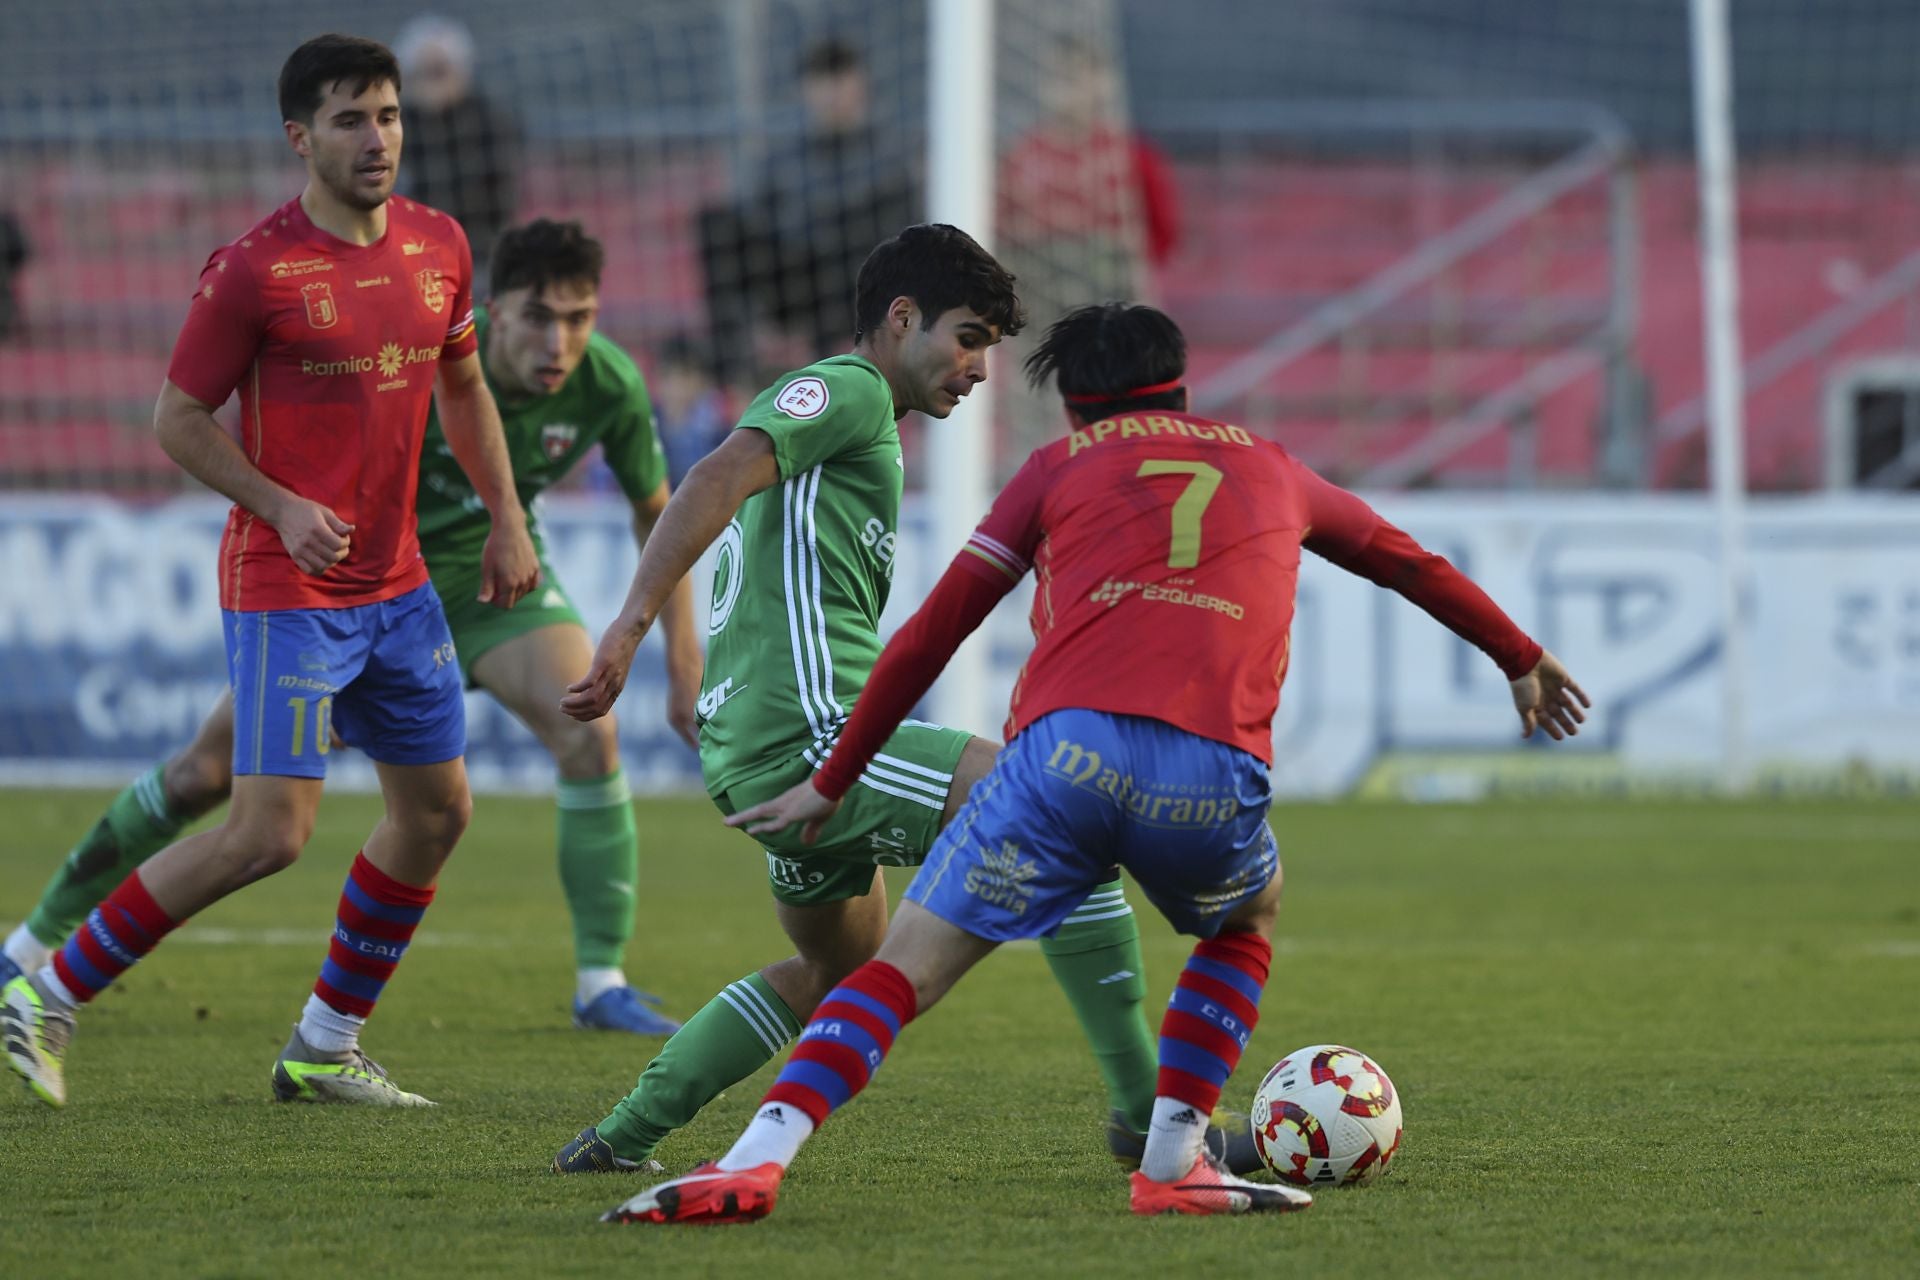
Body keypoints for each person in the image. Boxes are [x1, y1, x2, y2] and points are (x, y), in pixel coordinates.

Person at [597, 302, 1591, 1224]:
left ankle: (755, 1156)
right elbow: (1404, 557)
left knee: (896, 967)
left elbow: (931, 635)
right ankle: (1167, 1156)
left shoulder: (1058, 467)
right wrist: (1521, 655)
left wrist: (834, 772)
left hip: (1060, 758)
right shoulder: (1274, 466)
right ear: (1180, 385)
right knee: (1247, 915)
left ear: (1076, 402)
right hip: (1209, 766)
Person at [548, 226, 1234, 1180]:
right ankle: (1144, 1119)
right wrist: (627, 630)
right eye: (968, 338)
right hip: (812, 736)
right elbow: (711, 474)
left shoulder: (850, 422)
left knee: (837, 971)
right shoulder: (850, 388)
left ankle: (620, 1137)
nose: (980, 368)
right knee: (1067, 814)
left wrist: (691, 671)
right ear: (901, 318)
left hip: (757, 753)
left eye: (992, 346)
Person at [0, 34, 541, 1110]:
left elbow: (465, 386)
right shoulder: (254, 269)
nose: (377, 137)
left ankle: (324, 1045)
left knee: (438, 811)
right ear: (300, 138)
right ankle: (46, 989)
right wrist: (281, 505)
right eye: (350, 119)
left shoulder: (440, 246)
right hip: (286, 585)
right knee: (267, 832)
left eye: (388, 114)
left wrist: (506, 518)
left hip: (397, 584)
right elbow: (177, 419)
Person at [0, 217, 701, 1037]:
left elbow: (663, 513)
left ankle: (600, 982)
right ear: (492, 312)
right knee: (205, 778)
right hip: (358, 585)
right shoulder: (421, 356)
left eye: (579, 319)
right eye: (539, 317)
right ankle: (30, 946)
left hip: (490, 587)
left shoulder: (608, 384)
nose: (560, 341)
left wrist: (681, 657)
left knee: (591, 735)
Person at [697, 38, 918, 384]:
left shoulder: (887, 160)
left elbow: (904, 238)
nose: (831, 93)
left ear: (859, 86)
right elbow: (756, 220)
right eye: (821, 82)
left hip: (855, 286)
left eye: (840, 80)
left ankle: (839, 366)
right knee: (717, 223)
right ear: (806, 90)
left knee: (852, 242)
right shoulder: (785, 160)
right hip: (795, 281)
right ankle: (729, 366)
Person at [394, 15, 521, 288]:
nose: (433, 84)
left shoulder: (488, 122)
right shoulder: (393, 125)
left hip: (477, 256)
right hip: (408, 255)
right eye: (423, 72)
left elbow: (499, 200)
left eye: (439, 71)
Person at [649, 333, 731, 487]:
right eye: (668, 376)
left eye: (684, 376)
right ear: (657, 379)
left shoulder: (717, 431)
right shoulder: (644, 423)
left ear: (702, 382)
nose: (676, 386)